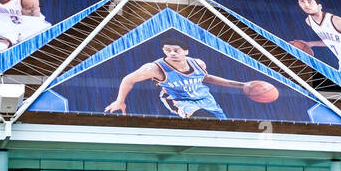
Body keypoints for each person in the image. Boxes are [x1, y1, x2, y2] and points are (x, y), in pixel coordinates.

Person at [104, 41, 250, 119]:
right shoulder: (154, 68)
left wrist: (241, 85)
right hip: (179, 100)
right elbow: (128, 79)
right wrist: (120, 100)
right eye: (168, 50)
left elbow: (206, 78)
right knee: (201, 118)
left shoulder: (198, 63)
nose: (172, 53)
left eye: (176, 50)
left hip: (205, 98)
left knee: (222, 127)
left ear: (186, 51)